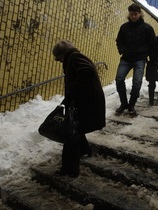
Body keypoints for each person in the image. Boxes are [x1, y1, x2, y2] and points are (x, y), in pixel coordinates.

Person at [52, 40, 106, 177]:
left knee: (71, 135)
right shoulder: (74, 57)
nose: (59, 61)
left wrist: (72, 90)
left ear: (63, 54)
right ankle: (84, 150)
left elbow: (87, 71)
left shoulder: (74, 57)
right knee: (76, 128)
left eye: (59, 58)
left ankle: (69, 170)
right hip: (85, 100)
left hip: (86, 101)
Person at [115, 3, 156, 116]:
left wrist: (149, 56)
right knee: (119, 79)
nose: (133, 16)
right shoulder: (124, 27)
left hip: (140, 59)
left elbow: (153, 43)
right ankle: (124, 104)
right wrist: (122, 49)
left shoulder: (147, 28)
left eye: (136, 14)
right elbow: (119, 40)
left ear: (140, 14)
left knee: (137, 83)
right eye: (132, 14)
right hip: (126, 58)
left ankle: (131, 105)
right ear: (129, 14)